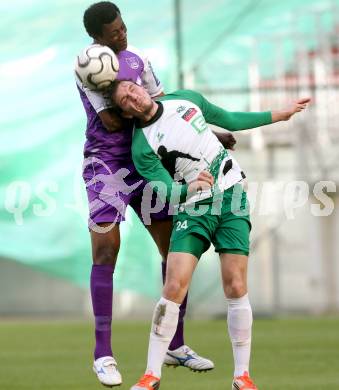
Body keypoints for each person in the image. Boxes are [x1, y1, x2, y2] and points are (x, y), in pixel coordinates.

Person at [111, 80, 310, 390]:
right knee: (174, 284)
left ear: (141, 88)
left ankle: (242, 377)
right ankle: (151, 376)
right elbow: (163, 190)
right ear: (125, 112)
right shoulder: (141, 145)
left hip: (232, 196)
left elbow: (228, 119)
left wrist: (279, 115)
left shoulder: (185, 99)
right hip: (193, 207)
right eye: (125, 100)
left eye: (131, 90)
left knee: (236, 284)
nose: (132, 98)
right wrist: (187, 189)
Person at [76, 1, 227, 386]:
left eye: (123, 28)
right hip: (107, 163)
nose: (122, 35)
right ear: (97, 38)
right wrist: (121, 93)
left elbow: (163, 107)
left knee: (173, 249)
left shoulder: (139, 60)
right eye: (114, 33)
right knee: (107, 248)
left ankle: (175, 343)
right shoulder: (87, 70)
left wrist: (210, 132)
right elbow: (110, 123)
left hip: (147, 160)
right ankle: (103, 354)